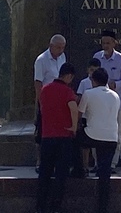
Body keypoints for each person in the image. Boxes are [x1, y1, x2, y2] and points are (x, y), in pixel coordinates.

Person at [36, 62, 79, 213]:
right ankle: (55, 206)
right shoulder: (67, 91)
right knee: (61, 174)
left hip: (47, 136)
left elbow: (41, 108)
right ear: (69, 76)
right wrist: (74, 127)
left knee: (45, 172)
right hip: (63, 137)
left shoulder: (45, 89)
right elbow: (73, 108)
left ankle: (40, 206)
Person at [77, 67, 120, 213]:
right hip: (111, 137)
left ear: (93, 80)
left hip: (91, 135)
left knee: (74, 141)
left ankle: (79, 169)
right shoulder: (115, 96)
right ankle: (103, 206)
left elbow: (79, 114)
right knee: (104, 171)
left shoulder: (88, 93)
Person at [93, 29, 121, 166]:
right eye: (103, 43)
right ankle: (98, 163)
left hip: (117, 103)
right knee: (97, 131)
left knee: (116, 133)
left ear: (115, 43)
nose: (105, 46)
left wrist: (116, 84)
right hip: (98, 102)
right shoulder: (97, 57)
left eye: (108, 43)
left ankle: (113, 163)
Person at [33, 34, 67, 155]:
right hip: (47, 100)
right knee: (42, 131)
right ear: (51, 46)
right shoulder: (42, 60)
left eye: (63, 47)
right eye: (58, 47)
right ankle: (39, 160)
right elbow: (38, 83)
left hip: (60, 100)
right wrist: (41, 102)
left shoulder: (62, 57)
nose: (60, 50)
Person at [74, 57, 102, 176]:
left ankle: (97, 165)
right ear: (87, 70)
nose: (93, 73)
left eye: (96, 70)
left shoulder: (102, 82)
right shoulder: (84, 83)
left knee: (98, 143)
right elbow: (79, 97)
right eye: (91, 70)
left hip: (97, 116)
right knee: (85, 145)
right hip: (86, 115)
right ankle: (85, 166)